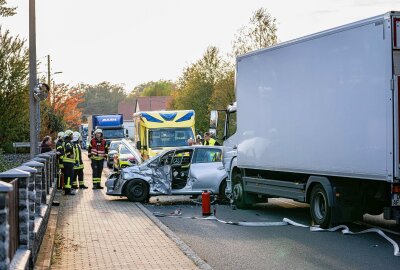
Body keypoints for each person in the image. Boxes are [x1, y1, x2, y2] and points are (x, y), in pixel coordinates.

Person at [62, 130, 76, 195]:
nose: (73, 136)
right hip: (68, 162)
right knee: (69, 176)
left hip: (68, 162)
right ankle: (68, 190)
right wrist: (71, 155)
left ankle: (68, 189)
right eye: (72, 135)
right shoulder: (68, 142)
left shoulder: (67, 142)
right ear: (69, 136)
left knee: (68, 176)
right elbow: (68, 150)